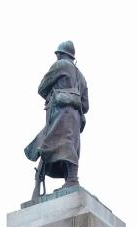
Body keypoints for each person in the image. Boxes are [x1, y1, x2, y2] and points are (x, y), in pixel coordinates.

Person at [25, 40, 89, 196]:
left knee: (52, 145)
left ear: (60, 54)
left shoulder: (60, 65)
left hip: (59, 112)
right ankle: (71, 178)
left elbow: (41, 88)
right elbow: (86, 106)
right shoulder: (81, 77)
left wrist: (56, 93)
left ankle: (71, 180)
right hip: (76, 117)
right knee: (69, 145)